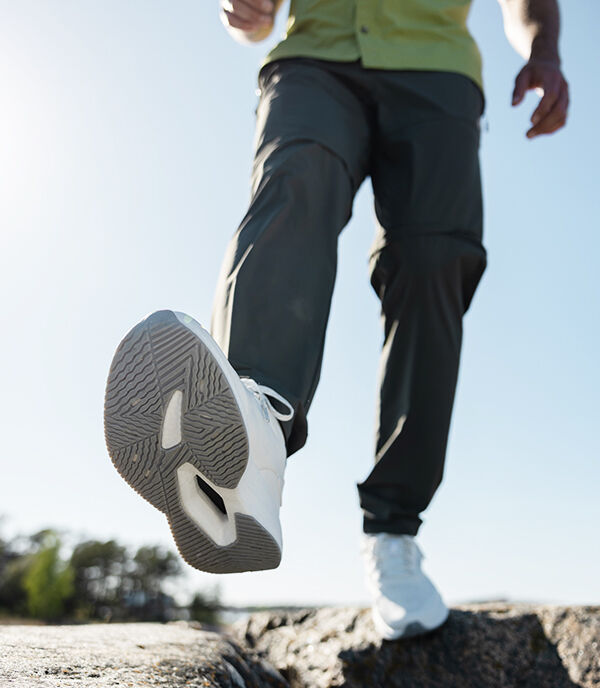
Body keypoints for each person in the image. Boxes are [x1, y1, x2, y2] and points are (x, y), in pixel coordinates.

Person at [104, 0, 568, 640]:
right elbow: (257, 14)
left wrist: (543, 50)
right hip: (311, 62)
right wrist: (248, 12)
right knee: (295, 181)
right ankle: (256, 425)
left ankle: (393, 532)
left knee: (434, 260)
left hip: (436, 70)